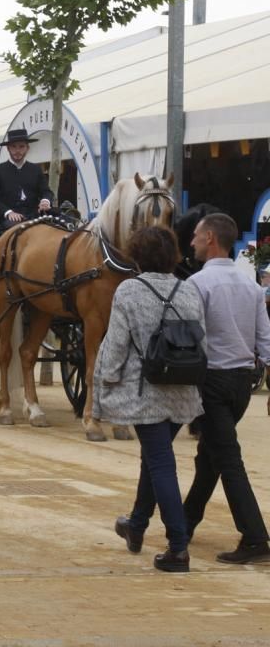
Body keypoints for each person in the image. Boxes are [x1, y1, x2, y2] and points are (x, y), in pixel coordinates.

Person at [97, 227, 204, 573]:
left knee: (160, 463)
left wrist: (105, 380)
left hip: (146, 392)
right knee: (155, 459)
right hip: (183, 390)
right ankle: (137, 526)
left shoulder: (129, 289)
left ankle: (178, 547)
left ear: (136, 255)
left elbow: (115, 344)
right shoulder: (187, 289)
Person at [179, 213, 270, 564]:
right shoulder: (250, 286)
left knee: (227, 459)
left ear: (211, 239)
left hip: (213, 381)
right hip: (242, 384)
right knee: (212, 458)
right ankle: (184, 524)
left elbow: (191, 341)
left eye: (197, 236)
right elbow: (265, 340)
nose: (192, 242)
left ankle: (255, 536)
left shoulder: (198, 285)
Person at [0, 128, 54, 224]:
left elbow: (46, 191)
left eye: (21, 147)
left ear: (27, 148)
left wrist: (45, 200)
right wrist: (9, 213)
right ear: (8, 148)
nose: (17, 150)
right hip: (10, 218)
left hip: (35, 215)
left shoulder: (36, 169)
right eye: (13, 147)